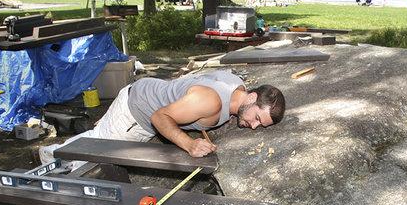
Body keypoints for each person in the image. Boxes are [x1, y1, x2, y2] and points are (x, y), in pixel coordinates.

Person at [39, 71, 286, 167]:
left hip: (146, 92)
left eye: (259, 125)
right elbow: (160, 117)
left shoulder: (237, 86)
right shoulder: (210, 101)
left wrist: (233, 114)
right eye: (255, 118)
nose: (253, 126)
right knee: (94, 156)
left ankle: (51, 153)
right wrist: (189, 144)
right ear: (251, 97)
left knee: (97, 138)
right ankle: (50, 166)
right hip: (137, 111)